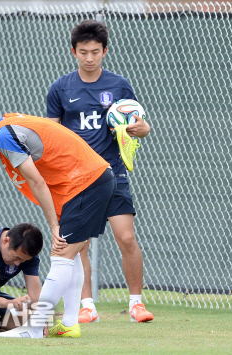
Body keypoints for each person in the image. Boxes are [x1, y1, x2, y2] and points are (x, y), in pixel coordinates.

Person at [0, 113, 116, 338]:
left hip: (85, 184)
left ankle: (33, 330)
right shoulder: (9, 123)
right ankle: (70, 322)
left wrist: (53, 224)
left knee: (61, 254)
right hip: (92, 181)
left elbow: (36, 181)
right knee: (72, 254)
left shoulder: (4, 136)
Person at [46, 19, 153, 323]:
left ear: (105, 51)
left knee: (127, 238)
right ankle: (87, 306)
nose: (90, 57)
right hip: (76, 177)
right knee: (79, 244)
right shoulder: (60, 88)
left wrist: (142, 128)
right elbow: (52, 135)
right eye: (83, 52)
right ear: (73, 52)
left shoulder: (119, 85)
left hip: (112, 173)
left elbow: (139, 125)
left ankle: (136, 304)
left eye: (95, 51)